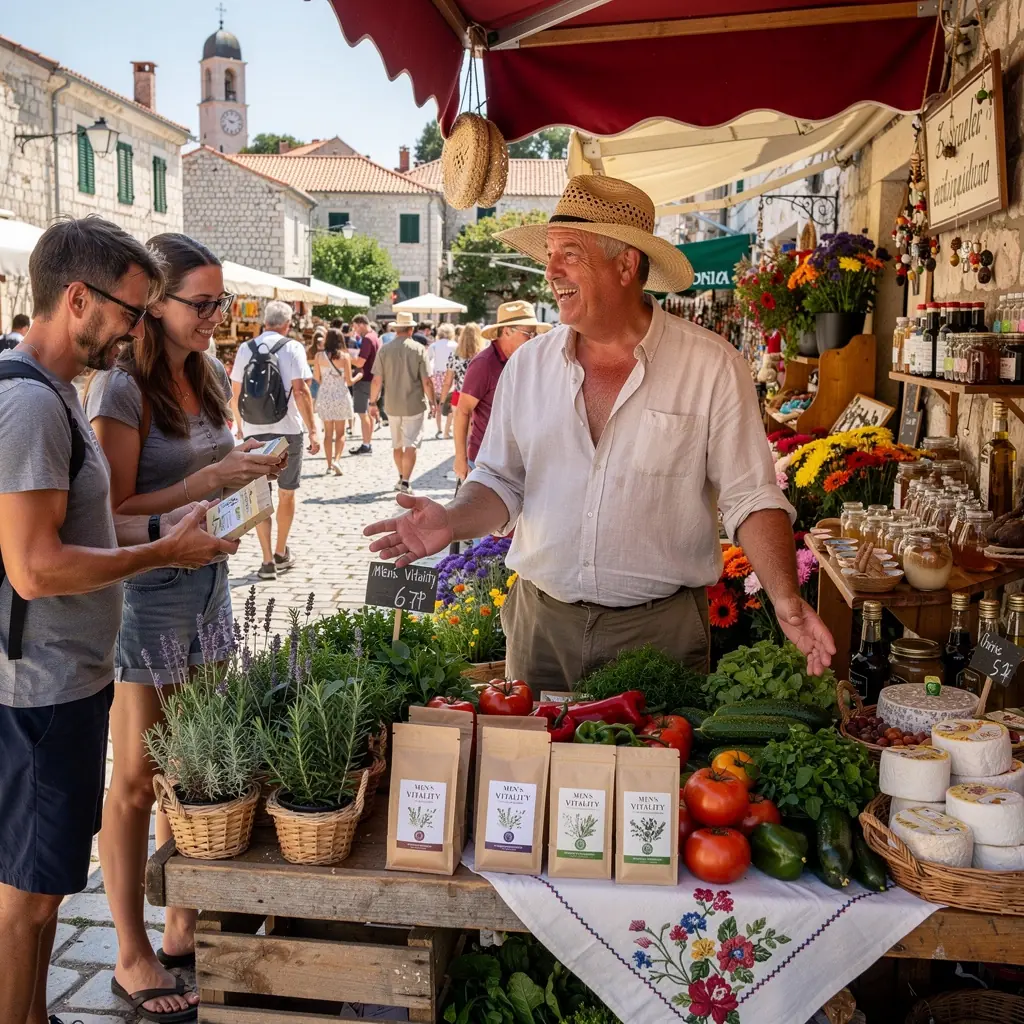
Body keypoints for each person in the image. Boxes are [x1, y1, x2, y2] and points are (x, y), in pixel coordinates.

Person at [365, 175, 835, 691]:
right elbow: (500, 479)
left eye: (570, 252)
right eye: (549, 254)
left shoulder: (711, 365)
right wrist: (451, 521)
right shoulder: (529, 367)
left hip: (661, 633)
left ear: (626, 264)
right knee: (533, 770)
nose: (550, 271)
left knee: (655, 772)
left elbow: (751, 495)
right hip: (541, 628)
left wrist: (786, 598)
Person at [0, 215, 236, 1024]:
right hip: (42, 682)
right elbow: (34, 567)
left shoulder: (50, 394)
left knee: (42, 891)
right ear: (76, 299)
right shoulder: (35, 404)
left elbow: (88, 532)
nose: (137, 329)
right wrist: (157, 555)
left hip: (64, 672)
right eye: (132, 312)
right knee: (29, 898)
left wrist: (166, 537)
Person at [85, 233, 285, 1022]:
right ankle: (130, 949)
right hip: (148, 600)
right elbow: (106, 519)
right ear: (154, 306)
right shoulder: (121, 391)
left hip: (210, 588)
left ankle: (182, 924)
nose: (216, 316)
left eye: (221, 301)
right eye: (201, 303)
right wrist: (210, 479)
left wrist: (247, 476)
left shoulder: (203, 372)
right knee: (136, 779)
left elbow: (205, 482)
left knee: (195, 769)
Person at [230, 300, 320, 580]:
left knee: (259, 495)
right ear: (288, 324)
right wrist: (313, 429)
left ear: (263, 322)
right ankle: (282, 552)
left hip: (255, 431)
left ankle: (267, 559)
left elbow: (235, 390)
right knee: (287, 492)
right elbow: (301, 390)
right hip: (288, 429)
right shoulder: (292, 347)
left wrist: (242, 428)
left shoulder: (246, 348)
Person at [454, 302, 549, 482]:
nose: (533, 338)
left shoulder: (527, 360)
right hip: (487, 461)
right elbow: (462, 411)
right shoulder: (484, 363)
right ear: (507, 331)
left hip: (522, 460)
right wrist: (460, 458)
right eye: (529, 333)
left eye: (535, 334)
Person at [369, 314, 433, 494]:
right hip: (414, 404)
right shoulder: (419, 349)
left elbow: (376, 381)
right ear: (411, 329)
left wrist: (372, 402)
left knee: (397, 444)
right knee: (411, 443)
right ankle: (405, 481)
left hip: (392, 404)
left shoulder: (384, 350)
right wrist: (433, 401)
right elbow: (427, 381)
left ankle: (400, 477)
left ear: (396, 329)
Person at [314, 327, 359, 475]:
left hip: (325, 395)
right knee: (340, 433)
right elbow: (350, 381)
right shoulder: (345, 357)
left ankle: (328, 465)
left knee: (328, 434)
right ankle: (337, 460)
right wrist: (359, 376)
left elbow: (317, 378)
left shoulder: (319, 356)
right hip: (340, 395)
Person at [441, 322, 484, 445]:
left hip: (458, 397)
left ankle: (461, 455)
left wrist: (443, 400)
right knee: (474, 430)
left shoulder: (455, 355)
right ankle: (471, 455)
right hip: (478, 398)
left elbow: (447, 381)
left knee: (459, 430)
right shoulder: (483, 355)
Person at [348, 313, 382, 455]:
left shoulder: (367, 339)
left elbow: (360, 362)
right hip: (374, 379)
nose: (355, 331)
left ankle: (366, 444)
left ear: (361, 324)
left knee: (363, 414)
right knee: (369, 413)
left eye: (356, 327)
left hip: (365, 380)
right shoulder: (375, 336)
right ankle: (368, 442)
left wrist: (346, 357)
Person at [428, 323, 457, 439]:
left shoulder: (434, 345)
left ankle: (439, 429)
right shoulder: (455, 345)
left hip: (437, 375)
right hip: (451, 375)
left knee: (438, 403)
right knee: (452, 404)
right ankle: (448, 428)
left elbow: (428, 360)